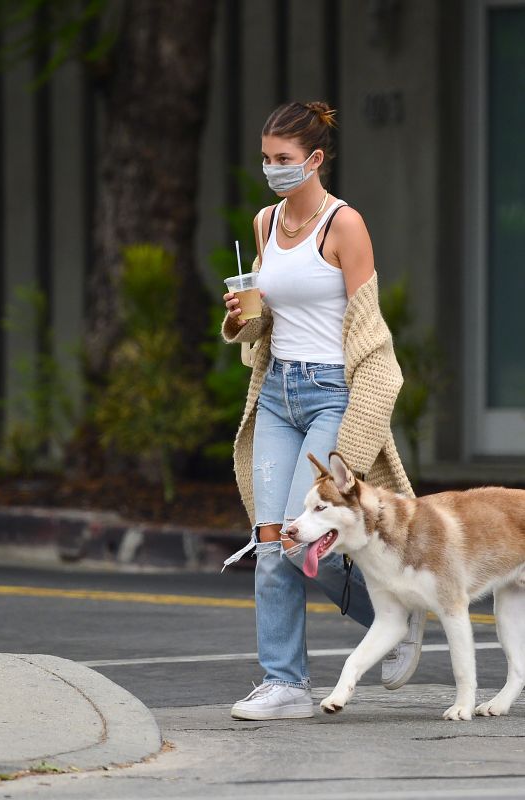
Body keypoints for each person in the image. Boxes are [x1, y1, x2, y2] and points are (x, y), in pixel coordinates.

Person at [221, 101, 425, 721]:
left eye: (283, 160)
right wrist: (243, 320)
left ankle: (397, 610)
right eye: (265, 159)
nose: (273, 170)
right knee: (271, 538)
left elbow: (372, 337)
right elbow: (269, 319)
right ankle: (285, 684)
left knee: (304, 536)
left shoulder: (344, 225)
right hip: (278, 393)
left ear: (313, 160)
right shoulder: (264, 222)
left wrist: (357, 435)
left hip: (333, 392)